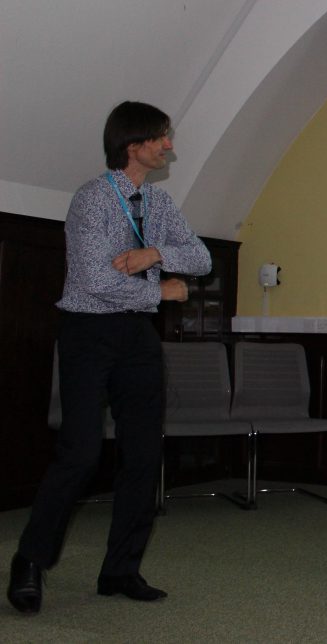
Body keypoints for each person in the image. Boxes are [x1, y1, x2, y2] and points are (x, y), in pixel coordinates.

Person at [6, 101, 211, 614]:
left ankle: (120, 570)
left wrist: (154, 254)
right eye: (161, 137)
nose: (169, 146)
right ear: (133, 144)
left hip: (137, 336)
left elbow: (202, 258)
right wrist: (162, 291)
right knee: (79, 452)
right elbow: (93, 281)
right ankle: (29, 561)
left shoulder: (159, 202)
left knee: (143, 454)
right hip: (88, 332)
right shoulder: (92, 199)